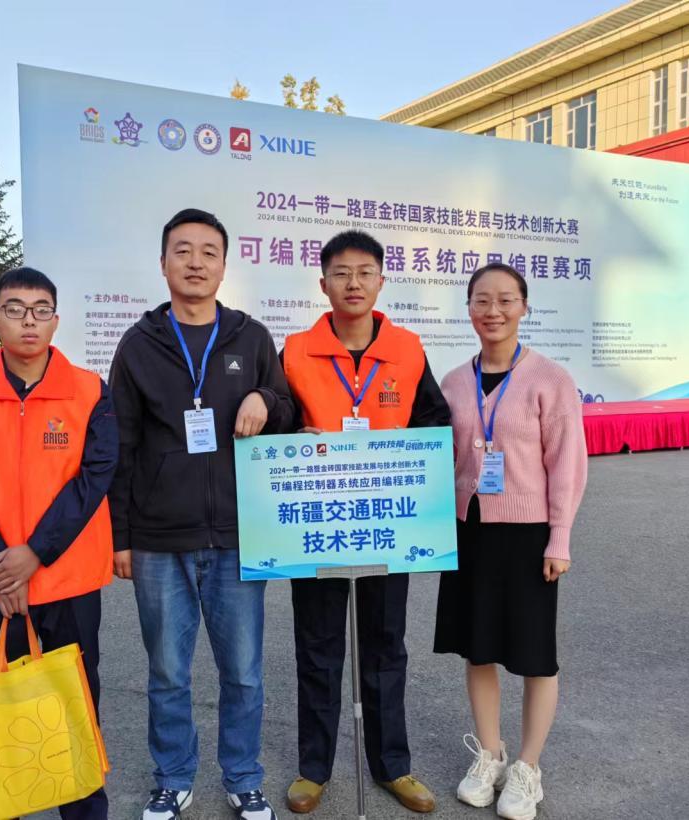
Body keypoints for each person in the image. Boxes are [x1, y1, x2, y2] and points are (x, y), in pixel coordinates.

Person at [108, 208, 295, 820]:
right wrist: (120, 538)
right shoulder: (138, 346)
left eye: (208, 252)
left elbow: (288, 407)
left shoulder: (250, 337)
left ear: (224, 265)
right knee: (167, 673)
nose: (195, 262)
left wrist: (264, 398)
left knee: (243, 672)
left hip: (239, 535)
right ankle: (172, 776)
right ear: (163, 263)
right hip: (159, 540)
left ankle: (243, 777)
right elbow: (121, 447)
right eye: (183, 251)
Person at [0, 266, 117, 820]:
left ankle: (82, 809)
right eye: (14, 310)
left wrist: (34, 553)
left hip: (65, 578)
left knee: (74, 700)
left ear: (56, 321)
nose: (28, 321)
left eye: (40, 310)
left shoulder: (89, 391)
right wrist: (1, 567)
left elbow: (94, 476)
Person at [279, 230, 450, 814]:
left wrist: (407, 455)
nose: (353, 283)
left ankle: (392, 766)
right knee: (318, 645)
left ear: (381, 281)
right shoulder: (296, 351)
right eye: (341, 273)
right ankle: (313, 769)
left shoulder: (408, 349)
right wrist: (291, 435)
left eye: (364, 272)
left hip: (386, 524)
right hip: (319, 522)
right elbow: (277, 419)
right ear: (323, 283)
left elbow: (434, 423)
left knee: (385, 645)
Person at [433, 263, 588, 820]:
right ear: (468, 309)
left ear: (524, 307)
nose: (492, 311)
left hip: (527, 534)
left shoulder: (549, 379)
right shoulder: (454, 382)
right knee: (478, 647)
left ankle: (527, 767)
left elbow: (567, 464)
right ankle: (490, 755)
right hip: (469, 529)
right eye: (481, 300)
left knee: (534, 654)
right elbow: (438, 457)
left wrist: (559, 538)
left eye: (505, 300)